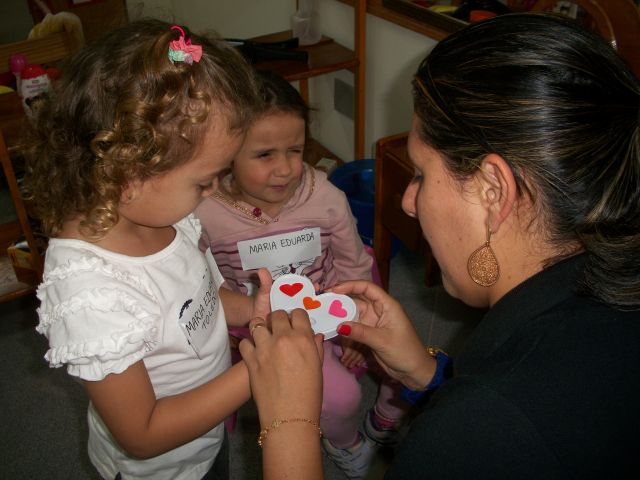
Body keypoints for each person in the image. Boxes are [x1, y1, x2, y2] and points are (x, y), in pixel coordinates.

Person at [238, 13, 640, 479]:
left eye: (422, 175)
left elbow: (498, 422)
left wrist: (288, 423)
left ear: (493, 190)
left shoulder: (475, 432)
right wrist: (424, 374)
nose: (408, 202)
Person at [23, 19, 273, 480]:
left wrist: (252, 309)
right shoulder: (90, 291)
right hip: (160, 470)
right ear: (128, 172)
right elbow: (142, 434)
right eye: (205, 180)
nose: (216, 190)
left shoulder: (164, 215)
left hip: (204, 433)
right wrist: (260, 370)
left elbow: (195, 301)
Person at [195, 69, 410, 479]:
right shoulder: (205, 213)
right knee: (343, 397)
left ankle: (384, 415)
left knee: (398, 358)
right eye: (265, 155)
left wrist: (353, 324)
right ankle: (346, 442)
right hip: (261, 322)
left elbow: (353, 264)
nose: (285, 169)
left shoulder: (326, 198)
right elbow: (200, 288)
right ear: (227, 154)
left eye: (295, 150)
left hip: (328, 303)